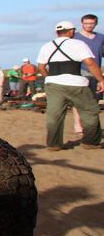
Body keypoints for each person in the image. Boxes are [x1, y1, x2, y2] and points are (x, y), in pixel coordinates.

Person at [36, 21, 104, 151]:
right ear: (72, 31)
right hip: (76, 83)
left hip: (54, 83)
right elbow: (90, 63)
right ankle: (90, 142)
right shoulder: (79, 44)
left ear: (57, 32)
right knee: (89, 111)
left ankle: (53, 144)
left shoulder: (46, 46)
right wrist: (101, 80)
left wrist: (48, 78)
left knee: (54, 115)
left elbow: (41, 66)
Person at [74, 14, 104, 100]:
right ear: (82, 23)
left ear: (96, 24)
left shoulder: (101, 37)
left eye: (92, 23)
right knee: (79, 101)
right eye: (86, 23)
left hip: (96, 72)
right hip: (80, 71)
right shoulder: (74, 37)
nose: (89, 25)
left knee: (95, 99)